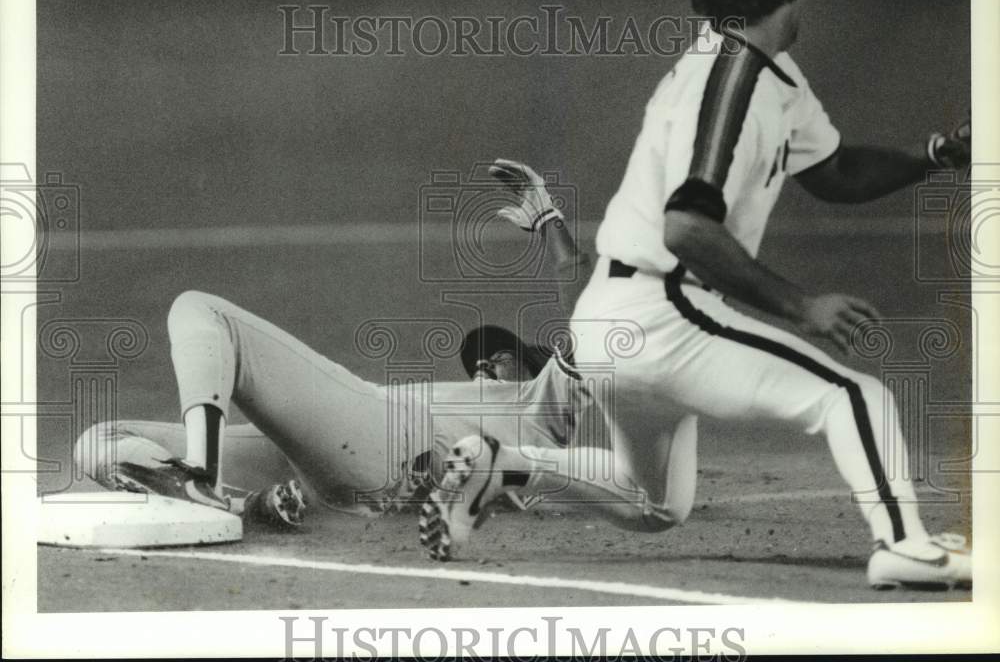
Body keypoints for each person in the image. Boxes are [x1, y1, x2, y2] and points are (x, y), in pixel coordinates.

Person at [430, 0, 973, 590]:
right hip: (664, 313)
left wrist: (935, 156)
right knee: (852, 396)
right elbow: (687, 227)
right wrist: (801, 306)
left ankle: (500, 465)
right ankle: (906, 546)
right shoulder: (731, 81)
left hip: (610, 322)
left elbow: (835, 173)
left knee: (655, 502)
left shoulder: (763, 72)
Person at [74, 161, 697, 549]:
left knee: (199, 310)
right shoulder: (493, 414)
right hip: (335, 475)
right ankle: (246, 506)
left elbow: (590, 312)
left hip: (385, 445)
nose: (485, 366)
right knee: (102, 441)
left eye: (500, 358)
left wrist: (550, 222)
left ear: (537, 366)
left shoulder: (545, 408)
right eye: (479, 361)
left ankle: (202, 482)